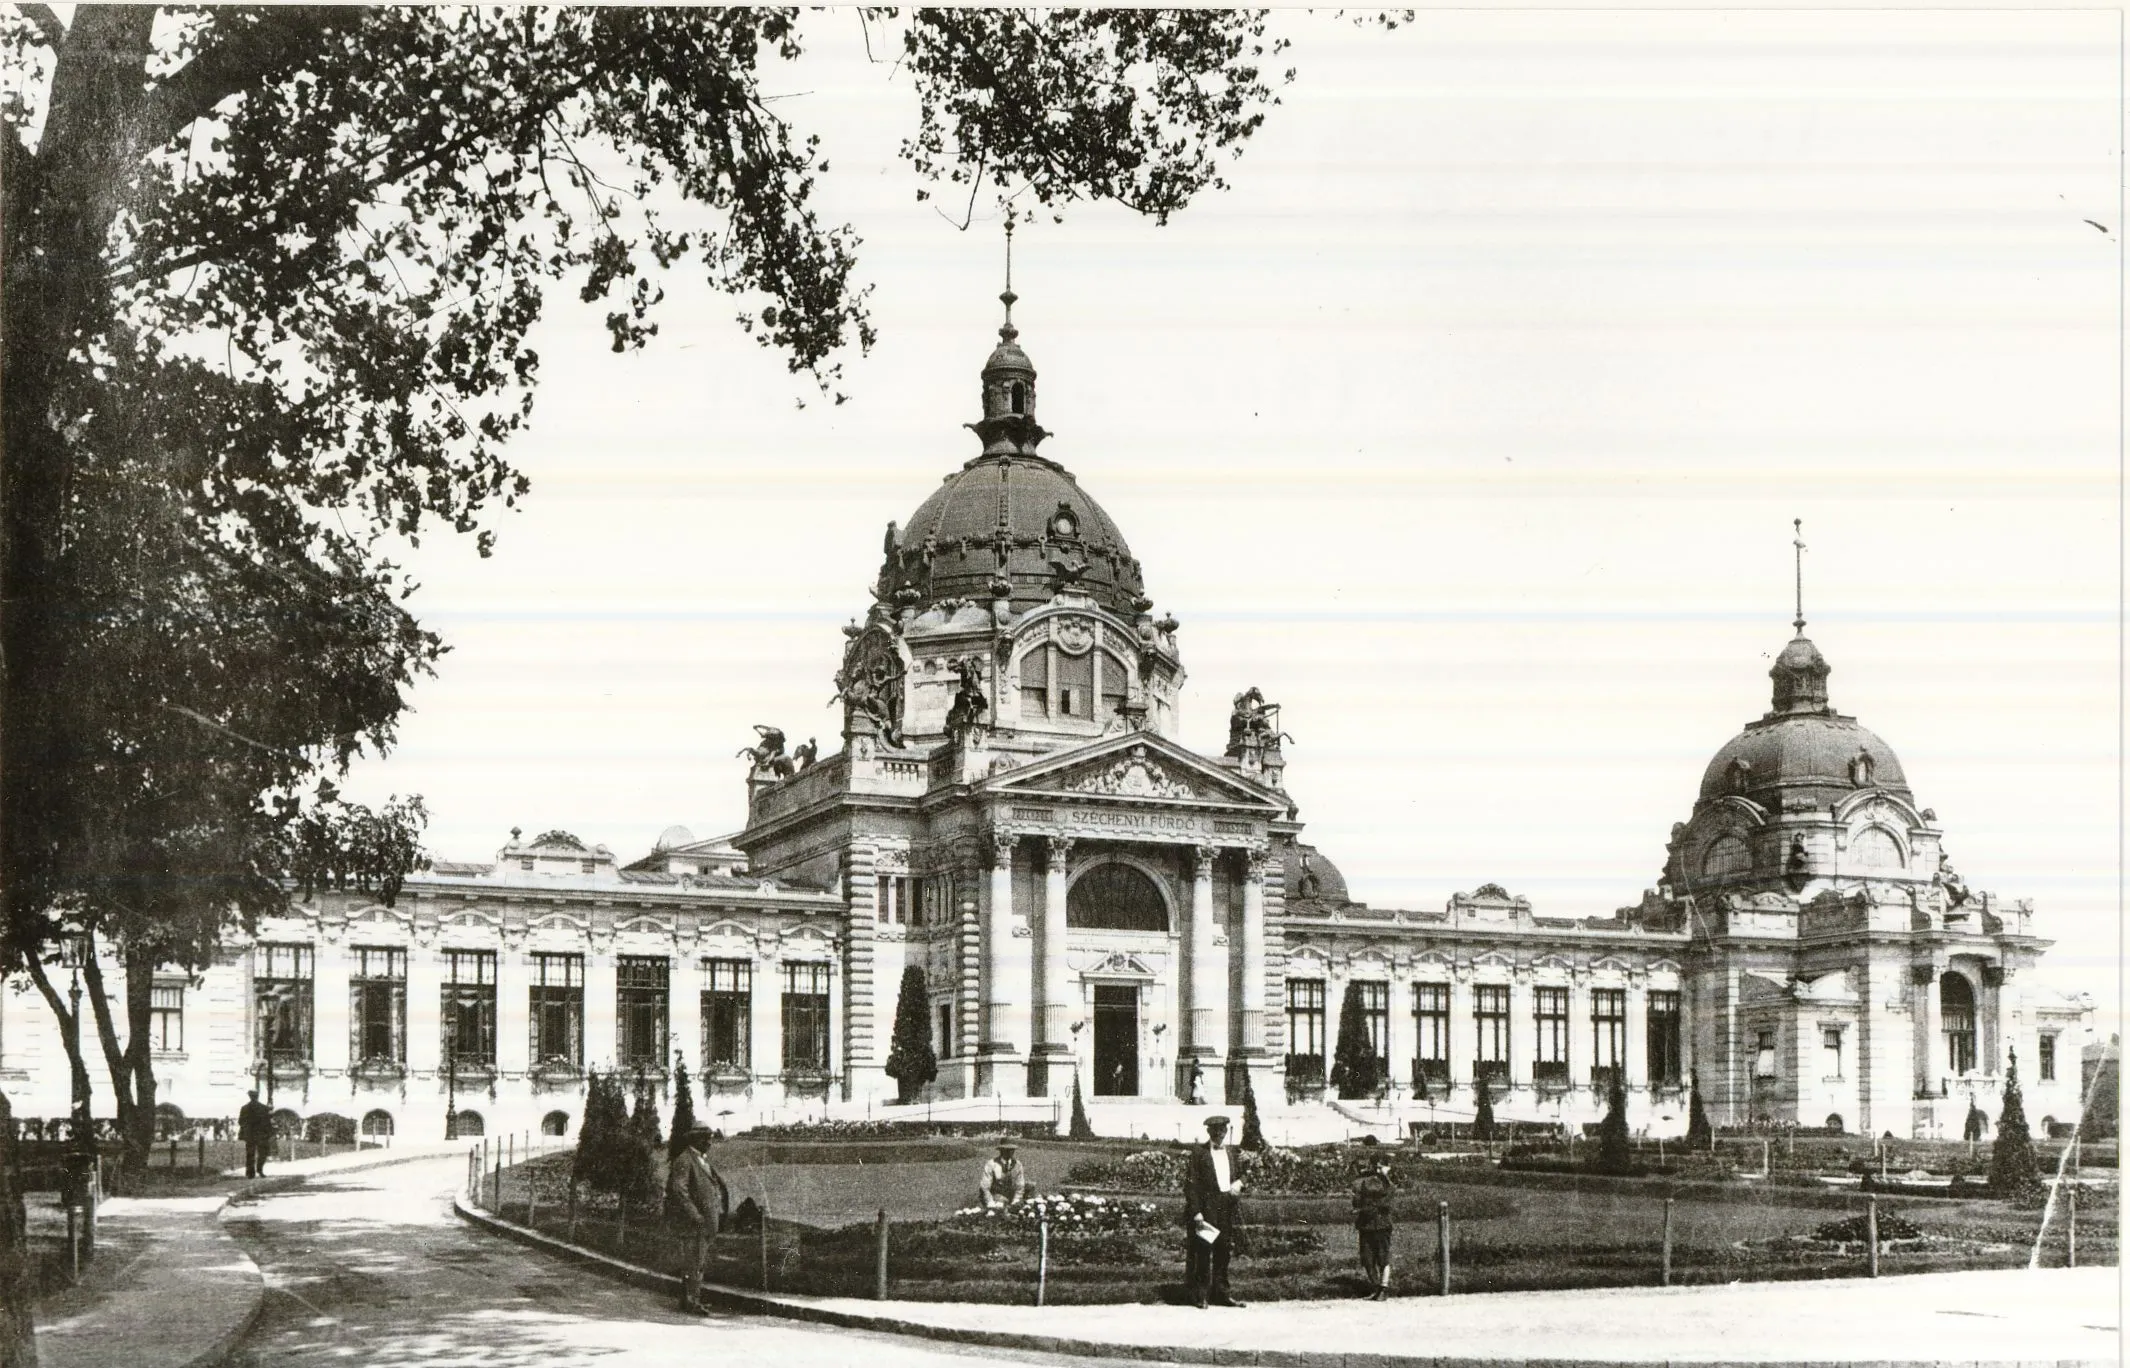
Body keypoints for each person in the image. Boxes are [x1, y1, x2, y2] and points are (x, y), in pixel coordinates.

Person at [664, 1124, 728, 1315]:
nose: (709, 1142)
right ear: (695, 1140)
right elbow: (679, 1190)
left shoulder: (701, 1160)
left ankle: (689, 1299)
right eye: (706, 1139)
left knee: (696, 1261)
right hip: (694, 1223)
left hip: (705, 1222)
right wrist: (695, 1215)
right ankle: (692, 1301)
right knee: (694, 1262)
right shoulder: (685, 1160)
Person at [1182, 1114, 1245, 1308]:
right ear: (1209, 1132)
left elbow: (1242, 1174)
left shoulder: (1232, 1152)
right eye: (1216, 1131)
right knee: (1203, 1250)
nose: (1220, 1134)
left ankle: (1222, 1293)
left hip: (1226, 1206)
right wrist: (1196, 1212)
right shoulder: (1199, 1153)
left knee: (1223, 1250)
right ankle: (1200, 1294)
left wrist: (1239, 1184)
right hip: (1207, 1206)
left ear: (1226, 1131)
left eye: (1223, 1130)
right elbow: (1190, 1185)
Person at [1351, 1153, 1395, 1300]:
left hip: (1381, 1224)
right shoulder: (1365, 1181)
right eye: (1376, 1165)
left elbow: (1385, 1203)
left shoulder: (1388, 1184)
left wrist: (1365, 1209)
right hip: (1366, 1225)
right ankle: (1376, 1287)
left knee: (1383, 1257)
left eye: (1381, 1166)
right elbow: (1358, 1198)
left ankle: (1383, 1287)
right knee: (1367, 1258)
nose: (1378, 1168)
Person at [978, 1137, 1029, 1209]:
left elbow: (1020, 1185)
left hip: (1012, 1196)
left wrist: (1016, 1201)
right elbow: (985, 1187)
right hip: (996, 1196)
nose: (1010, 1152)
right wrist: (990, 1202)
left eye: (1012, 1149)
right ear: (1001, 1150)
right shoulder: (992, 1164)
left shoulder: (1017, 1164)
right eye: (1007, 1150)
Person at [238, 1089, 273, 1179]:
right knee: (262, 1153)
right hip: (261, 1134)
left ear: (250, 1096)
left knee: (250, 1153)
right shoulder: (264, 1108)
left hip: (249, 1134)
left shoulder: (244, 1108)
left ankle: (250, 1172)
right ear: (257, 1096)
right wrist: (269, 1133)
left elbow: (240, 1121)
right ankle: (259, 1169)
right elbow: (267, 1122)